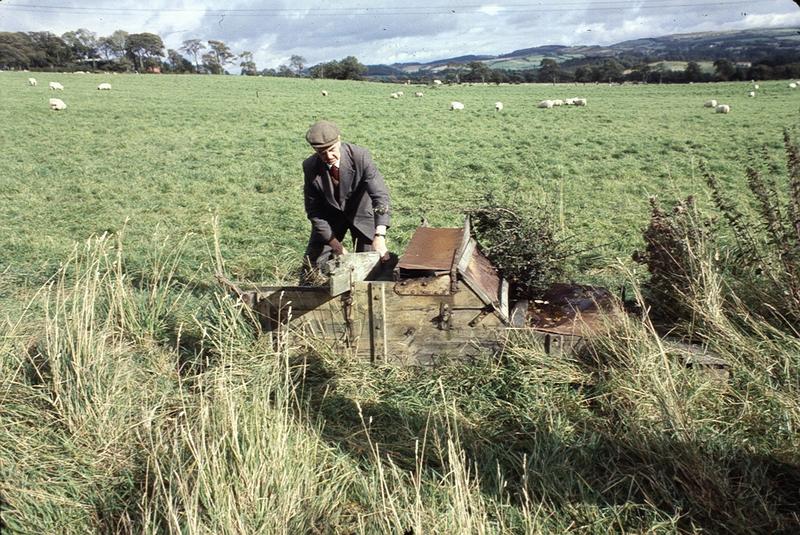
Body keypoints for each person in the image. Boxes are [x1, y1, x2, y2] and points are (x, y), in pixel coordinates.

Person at [301, 120, 391, 274]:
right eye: (321, 153)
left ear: (339, 140)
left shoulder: (360, 156)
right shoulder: (310, 166)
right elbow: (314, 211)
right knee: (313, 266)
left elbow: (380, 196)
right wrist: (336, 246)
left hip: (362, 214)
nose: (328, 156)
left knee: (372, 265)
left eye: (332, 149)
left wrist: (380, 235)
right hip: (330, 219)